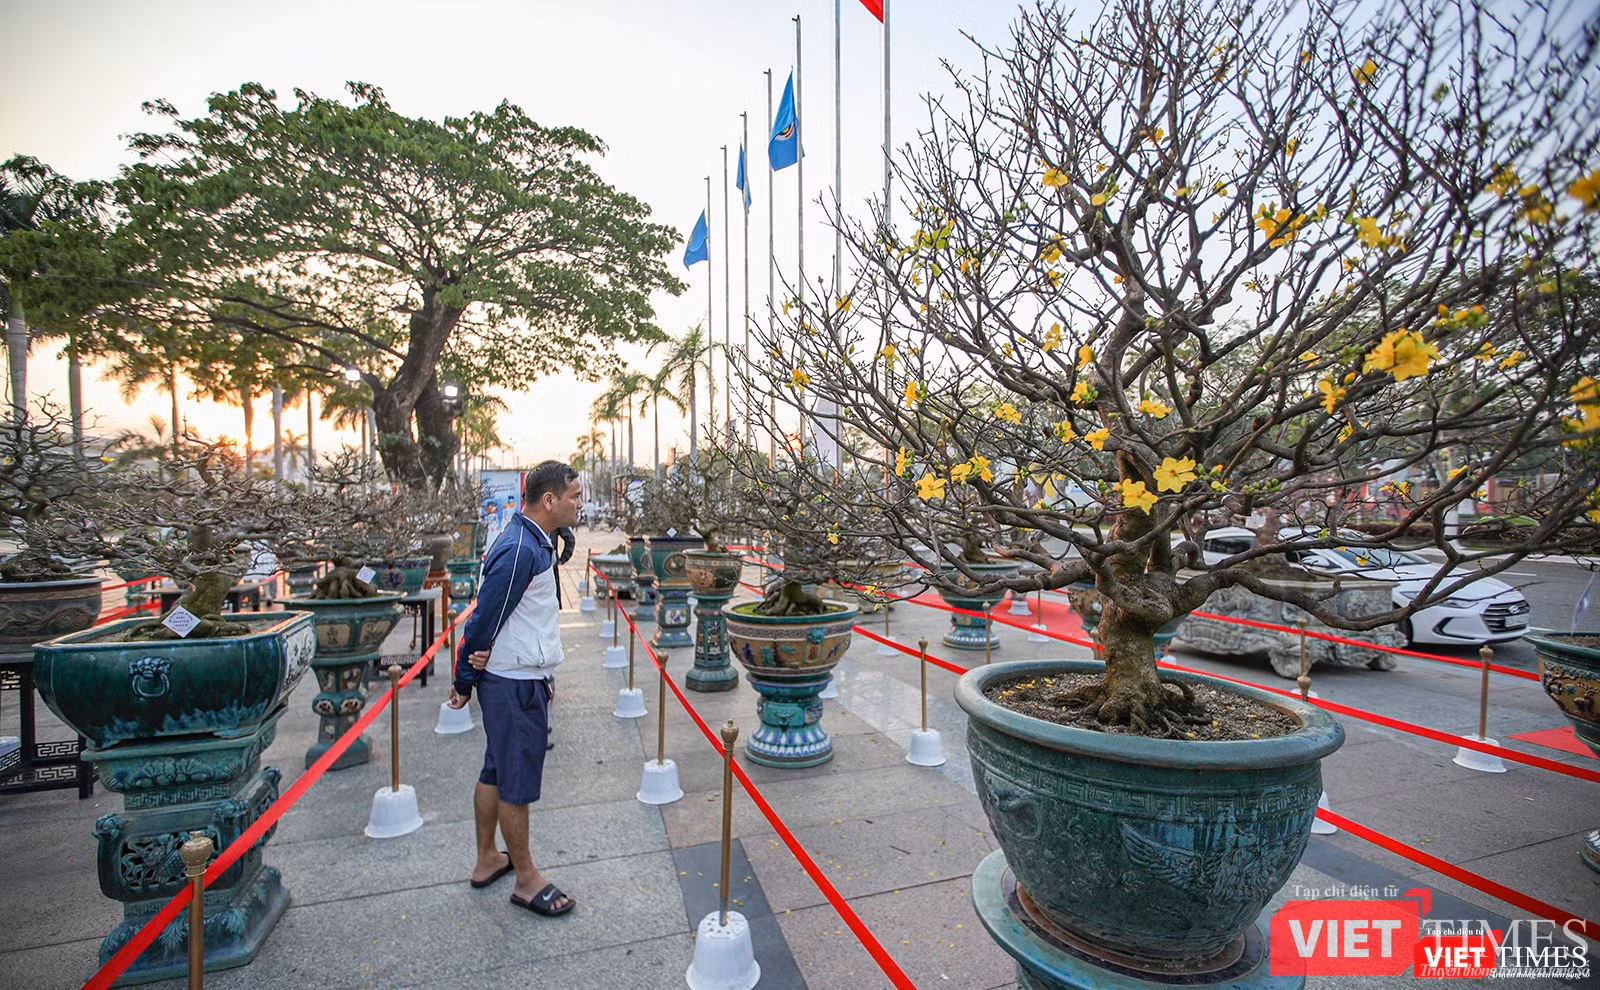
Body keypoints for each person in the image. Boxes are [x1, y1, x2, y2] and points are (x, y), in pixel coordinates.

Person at [447, 460, 582, 917]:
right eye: (573, 496)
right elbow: (486, 615)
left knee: (496, 771)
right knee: (516, 783)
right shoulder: (521, 548)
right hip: (513, 684)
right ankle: (526, 879)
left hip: (520, 673)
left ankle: (488, 858)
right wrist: (466, 675)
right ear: (549, 500)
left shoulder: (533, 539)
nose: (579, 503)